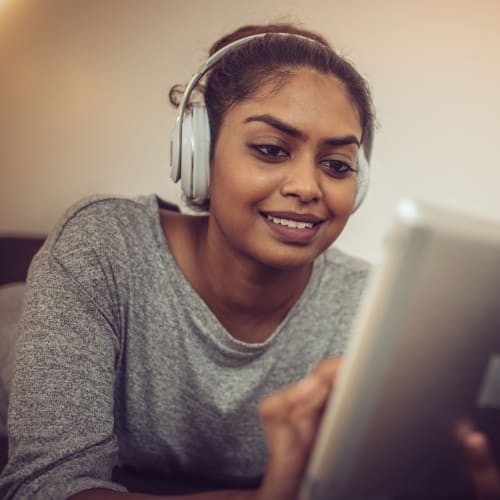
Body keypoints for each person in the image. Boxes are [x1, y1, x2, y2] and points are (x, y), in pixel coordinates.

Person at [0, 22, 497, 500]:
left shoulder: (373, 308)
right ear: (197, 155)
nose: (307, 187)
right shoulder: (103, 246)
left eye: (337, 165)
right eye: (270, 149)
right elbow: (43, 487)